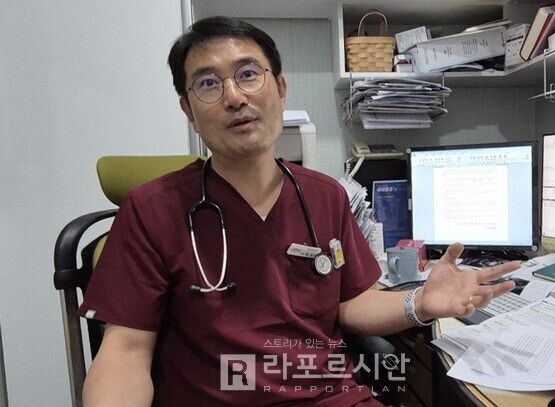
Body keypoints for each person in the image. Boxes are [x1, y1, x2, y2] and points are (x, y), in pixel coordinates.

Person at [78, 16, 518, 406]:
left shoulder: (325, 196)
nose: (234, 97)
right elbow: (125, 352)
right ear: (189, 111)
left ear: (281, 89)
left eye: (248, 74)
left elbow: (352, 304)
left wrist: (419, 303)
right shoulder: (152, 209)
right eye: (208, 84)